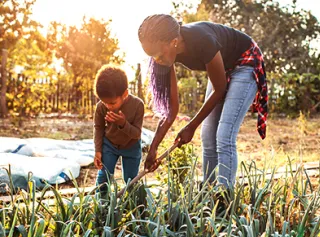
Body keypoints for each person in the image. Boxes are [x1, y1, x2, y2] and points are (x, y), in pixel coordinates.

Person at [138, 14, 268, 188]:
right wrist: (153, 149)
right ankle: (209, 194)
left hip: (245, 62)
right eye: (152, 56)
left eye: (159, 55)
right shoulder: (163, 58)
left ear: (173, 42)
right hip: (222, 67)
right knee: (207, 136)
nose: (157, 60)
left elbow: (219, 88)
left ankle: (224, 198)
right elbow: (171, 111)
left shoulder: (202, 39)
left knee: (224, 135)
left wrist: (190, 126)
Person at [93, 64, 145, 194]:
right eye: (104, 102)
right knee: (104, 177)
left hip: (131, 145)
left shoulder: (138, 105)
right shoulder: (101, 107)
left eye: (112, 103)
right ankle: (102, 206)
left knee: (130, 181)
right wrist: (98, 150)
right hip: (110, 144)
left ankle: (132, 206)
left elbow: (137, 134)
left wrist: (122, 123)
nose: (108, 106)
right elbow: (98, 128)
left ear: (125, 94)